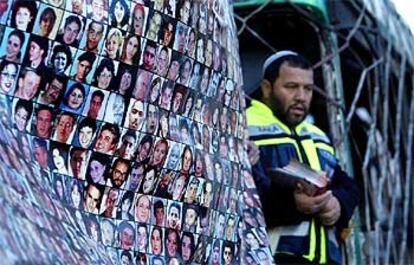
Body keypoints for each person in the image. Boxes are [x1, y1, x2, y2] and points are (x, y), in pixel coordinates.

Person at [246, 51, 360, 264]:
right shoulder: (243, 127)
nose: (301, 96)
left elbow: (347, 184)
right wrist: (291, 205)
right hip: (268, 257)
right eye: (291, 87)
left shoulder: (316, 134)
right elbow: (237, 196)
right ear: (266, 87)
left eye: (308, 88)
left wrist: (338, 205)